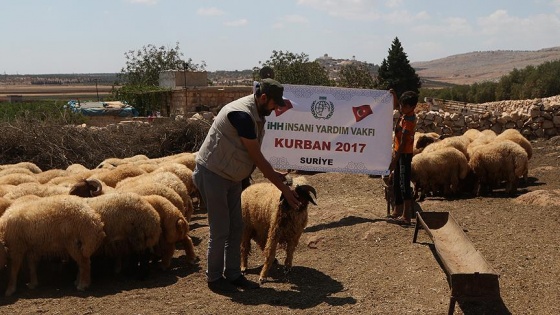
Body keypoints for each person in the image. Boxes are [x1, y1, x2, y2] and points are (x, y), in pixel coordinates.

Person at [192, 78, 301, 293]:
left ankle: (233, 274)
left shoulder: (257, 112)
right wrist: (285, 191)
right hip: (213, 173)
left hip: (232, 176)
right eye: (274, 103)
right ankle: (214, 278)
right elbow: (257, 157)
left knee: (237, 227)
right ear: (263, 98)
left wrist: (273, 172)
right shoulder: (241, 115)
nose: (276, 108)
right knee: (220, 229)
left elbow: (251, 154)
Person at [388, 90, 418, 226]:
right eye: (401, 105)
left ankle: (406, 215)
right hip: (399, 152)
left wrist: (395, 160)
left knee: (404, 184)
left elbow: (404, 142)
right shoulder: (404, 115)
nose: (401, 108)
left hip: (404, 154)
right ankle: (397, 210)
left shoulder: (409, 121)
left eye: (405, 106)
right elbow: (395, 106)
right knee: (396, 182)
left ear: (412, 107)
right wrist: (394, 94)